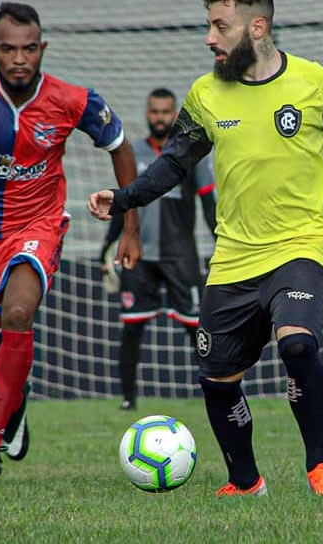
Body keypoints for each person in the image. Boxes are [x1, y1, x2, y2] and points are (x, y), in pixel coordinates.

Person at [89, 0, 323, 497]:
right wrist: (124, 197)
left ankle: (320, 467)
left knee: (297, 344)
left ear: (257, 27)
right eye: (208, 26)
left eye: (220, 27)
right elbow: (173, 164)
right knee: (218, 379)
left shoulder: (317, 83)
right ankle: (246, 482)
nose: (209, 38)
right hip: (233, 256)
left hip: (299, 245)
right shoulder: (206, 94)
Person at [0, 2, 141, 482]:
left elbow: (120, 147)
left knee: (18, 312)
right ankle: (13, 402)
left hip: (36, 227)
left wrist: (130, 225)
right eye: (9, 49)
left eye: (29, 49)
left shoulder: (72, 99)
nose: (19, 59)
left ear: (43, 48)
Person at [99, 87, 217, 411]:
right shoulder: (133, 153)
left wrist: (222, 242)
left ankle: (214, 391)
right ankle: (128, 399)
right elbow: (122, 205)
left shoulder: (191, 154)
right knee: (132, 328)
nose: (160, 118)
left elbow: (209, 203)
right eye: (155, 112)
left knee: (197, 329)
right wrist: (107, 247)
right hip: (139, 258)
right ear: (147, 114)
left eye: (166, 112)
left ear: (175, 115)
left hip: (181, 256)